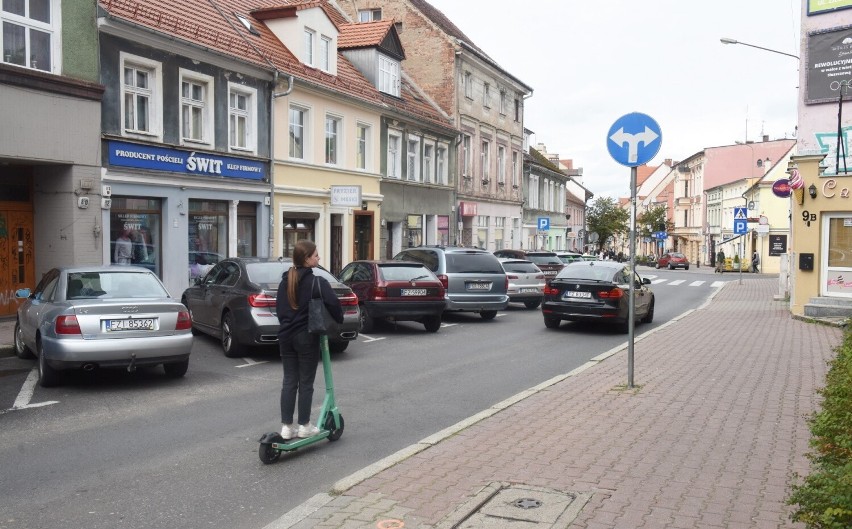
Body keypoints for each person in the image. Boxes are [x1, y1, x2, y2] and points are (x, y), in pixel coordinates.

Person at [275, 240, 343, 440]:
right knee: (305, 382)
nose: (319, 258)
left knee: (289, 381)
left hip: (285, 337)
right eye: (316, 255)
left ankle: (287, 428)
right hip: (306, 337)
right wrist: (338, 321)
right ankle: (304, 425)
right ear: (306, 259)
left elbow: (280, 310)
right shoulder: (317, 282)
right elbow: (334, 305)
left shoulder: (284, 281)